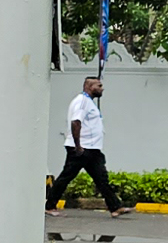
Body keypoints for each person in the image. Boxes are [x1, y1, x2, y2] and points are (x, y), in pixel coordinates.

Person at [47, 74, 126, 213]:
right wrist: (78, 146)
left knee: (101, 179)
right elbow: (75, 122)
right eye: (99, 86)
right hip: (82, 149)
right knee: (66, 177)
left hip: (92, 149)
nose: (102, 88)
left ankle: (115, 207)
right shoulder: (82, 102)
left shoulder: (89, 102)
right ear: (89, 87)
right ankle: (50, 206)